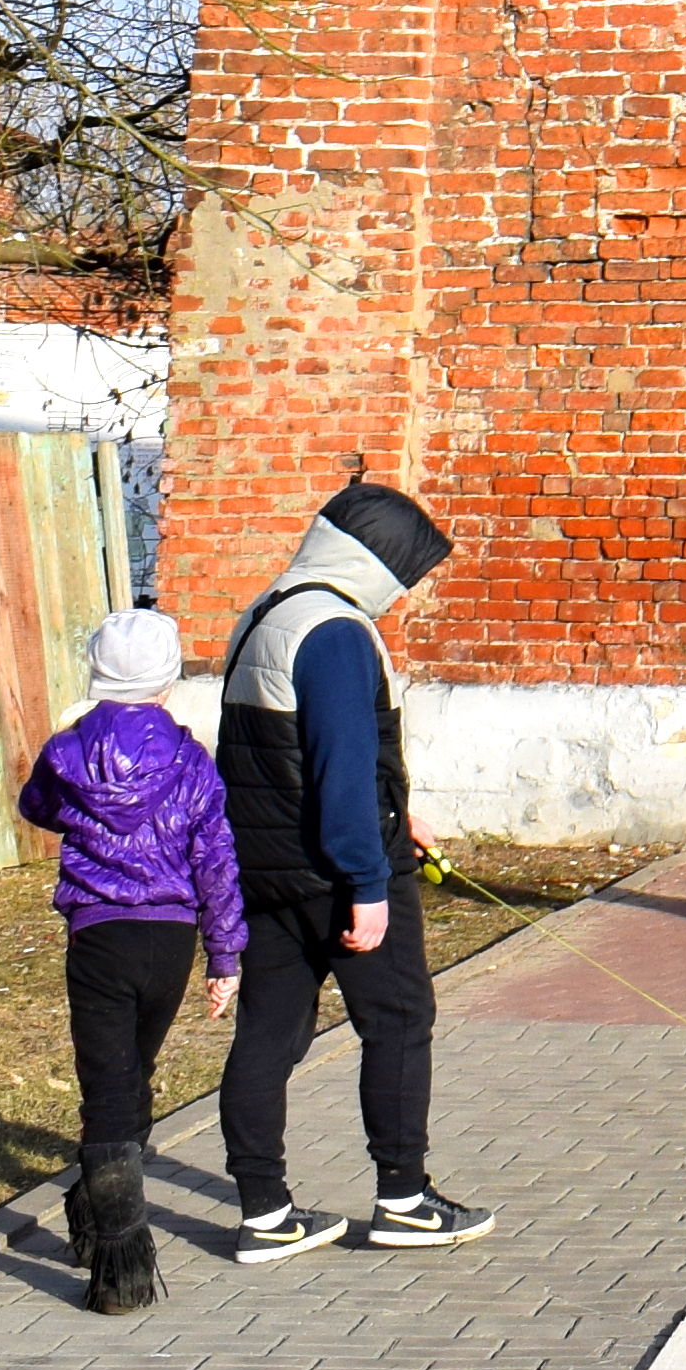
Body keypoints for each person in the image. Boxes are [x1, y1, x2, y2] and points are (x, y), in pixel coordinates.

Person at [218, 478, 496, 1259]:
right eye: (407, 573)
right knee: (400, 1020)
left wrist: (392, 809)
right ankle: (403, 1197)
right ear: (376, 560)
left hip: (265, 866)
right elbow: (339, 766)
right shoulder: (336, 632)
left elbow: (283, 752)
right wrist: (367, 881)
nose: (408, 591)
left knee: (269, 1032)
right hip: (337, 874)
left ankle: (264, 1214)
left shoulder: (267, 612)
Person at [20, 606, 241, 1316]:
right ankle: (97, 1214)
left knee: (111, 1088)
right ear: (168, 683)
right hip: (171, 937)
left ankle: (120, 1265)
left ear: (96, 675)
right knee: (131, 1076)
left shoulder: (65, 752)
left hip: (100, 934)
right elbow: (216, 859)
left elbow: (37, 807)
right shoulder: (191, 760)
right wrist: (225, 953)